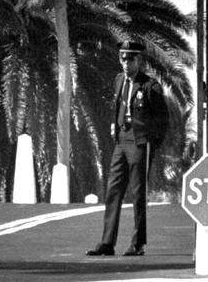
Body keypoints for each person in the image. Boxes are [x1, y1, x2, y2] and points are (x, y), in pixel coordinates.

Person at [86, 39, 168, 257]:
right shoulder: (119, 80)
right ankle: (107, 243)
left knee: (138, 193)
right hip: (122, 142)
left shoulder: (150, 86)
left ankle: (137, 243)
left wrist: (150, 143)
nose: (125, 63)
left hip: (140, 143)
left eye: (130, 58)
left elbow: (162, 120)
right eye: (122, 58)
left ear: (139, 60)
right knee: (113, 191)